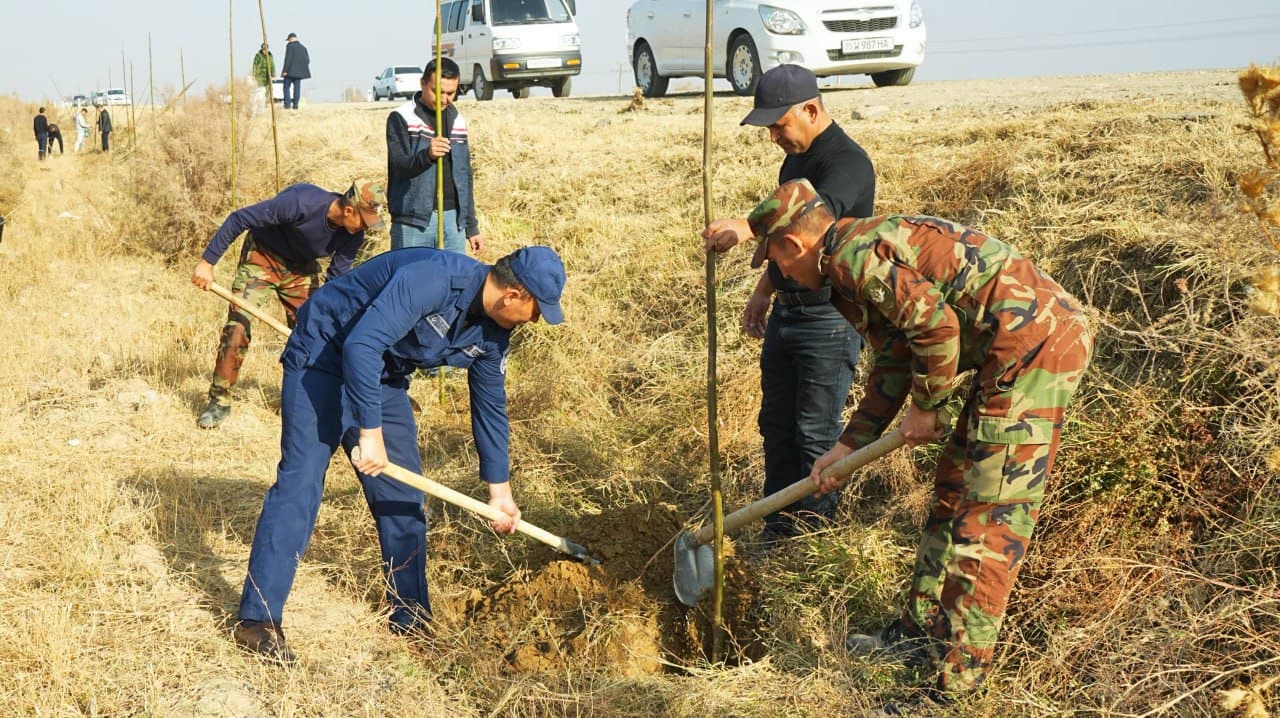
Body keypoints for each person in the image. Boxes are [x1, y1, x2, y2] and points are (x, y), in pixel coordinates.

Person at [742, 179, 1093, 710]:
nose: (780, 276)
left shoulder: (854, 259)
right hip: (1007, 353)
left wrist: (927, 406)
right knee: (953, 489)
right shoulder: (849, 258)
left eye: (775, 263)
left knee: (987, 521)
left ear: (792, 246)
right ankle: (917, 633)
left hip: (1033, 350)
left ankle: (951, 690)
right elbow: (898, 355)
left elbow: (937, 329)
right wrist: (849, 445)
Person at [231, 244, 567, 664]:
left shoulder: (495, 334)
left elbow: (490, 407)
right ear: (513, 296)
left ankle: (408, 617)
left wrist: (500, 491)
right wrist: (369, 434)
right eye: (538, 310)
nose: (537, 320)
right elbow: (361, 345)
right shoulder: (434, 279)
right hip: (325, 356)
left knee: (404, 499)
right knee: (301, 482)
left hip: (383, 377)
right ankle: (257, 621)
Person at [702, 64, 873, 546]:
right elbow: (790, 244)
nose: (774, 136)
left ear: (812, 109)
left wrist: (746, 226)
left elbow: (813, 220)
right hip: (789, 313)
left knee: (814, 433)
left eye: (780, 124)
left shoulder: (847, 163)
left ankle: (812, 539)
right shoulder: (792, 161)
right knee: (776, 425)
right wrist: (765, 290)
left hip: (829, 316)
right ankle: (778, 530)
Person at [190, 179, 383, 429]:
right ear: (349, 210)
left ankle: (304, 401)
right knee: (238, 327)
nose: (365, 229)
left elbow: (336, 279)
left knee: (315, 334)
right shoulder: (301, 202)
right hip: (263, 257)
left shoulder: (352, 235)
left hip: (301, 268)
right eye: (364, 222)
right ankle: (219, 401)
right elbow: (239, 218)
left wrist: (325, 319)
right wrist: (207, 263)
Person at [386, 57, 483, 254]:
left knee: (453, 281)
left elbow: (465, 176)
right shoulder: (402, 117)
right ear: (423, 83)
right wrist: (427, 155)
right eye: (437, 91)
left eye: (451, 93)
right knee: (410, 281)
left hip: (453, 222)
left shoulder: (458, 121)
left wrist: (471, 226)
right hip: (413, 222)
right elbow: (399, 166)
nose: (444, 99)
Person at [280, 32, 310, 110]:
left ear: (291, 39)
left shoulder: (290, 46)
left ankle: (287, 105)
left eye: (288, 40)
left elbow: (288, 59)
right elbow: (307, 60)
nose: (288, 41)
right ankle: (295, 106)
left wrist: (285, 70)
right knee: (297, 89)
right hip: (299, 74)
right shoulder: (303, 48)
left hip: (290, 72)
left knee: (286, 87)